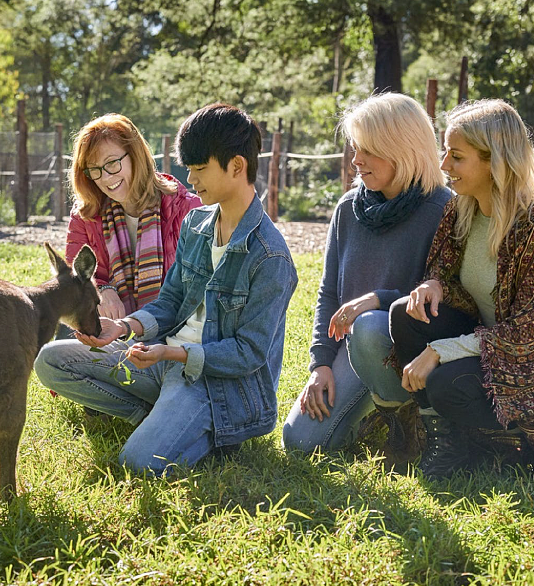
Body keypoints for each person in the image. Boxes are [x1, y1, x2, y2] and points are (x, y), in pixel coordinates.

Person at [35, 103, 297, 475]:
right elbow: (171, 301)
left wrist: (170, 354)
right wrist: (122, 329)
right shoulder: (197, 223)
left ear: (237, 166)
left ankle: (214, 430)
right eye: (188, 168)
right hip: (165, 362)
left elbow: (247, 354)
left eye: (199, 168)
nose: (190, 179)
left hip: (216, 386)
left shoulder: (270, 257)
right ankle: (160, 417)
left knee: (137, 464)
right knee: (51, 361)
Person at [390, 99, 534, 479]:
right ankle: (450, 443)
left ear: (495, 162)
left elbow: (531, 332)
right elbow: (443, 266)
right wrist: (433, 284)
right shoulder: (461, 209)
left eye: (456, 156)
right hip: (486, 346)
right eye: (445, 153)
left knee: (444, 384)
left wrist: (443, 350)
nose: (444, 166)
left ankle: (507, 438)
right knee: (405, 315)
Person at [282, 93, 450, 453]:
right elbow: (329, 293)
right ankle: (377, 413)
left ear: (402, 148)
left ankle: (409, 418)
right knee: (299, 441)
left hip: (415, 353)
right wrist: (320, 365)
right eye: (355, 148)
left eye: (369, 150)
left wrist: (377, 299)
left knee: (371, 324)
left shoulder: (443, 209)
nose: (356, 161)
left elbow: (447, 297)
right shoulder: (348, 209)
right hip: (355, 348)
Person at [66, 114, 201, 320]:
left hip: (173, 335)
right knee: (52, 351)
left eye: (112, 163)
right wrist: (102, 289)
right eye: (94, 170)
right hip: (111, 332)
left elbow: (199, 292)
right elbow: (73, 279)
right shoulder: (86, 215)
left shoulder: (188, 210)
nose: (105, 178)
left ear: (135, 155)